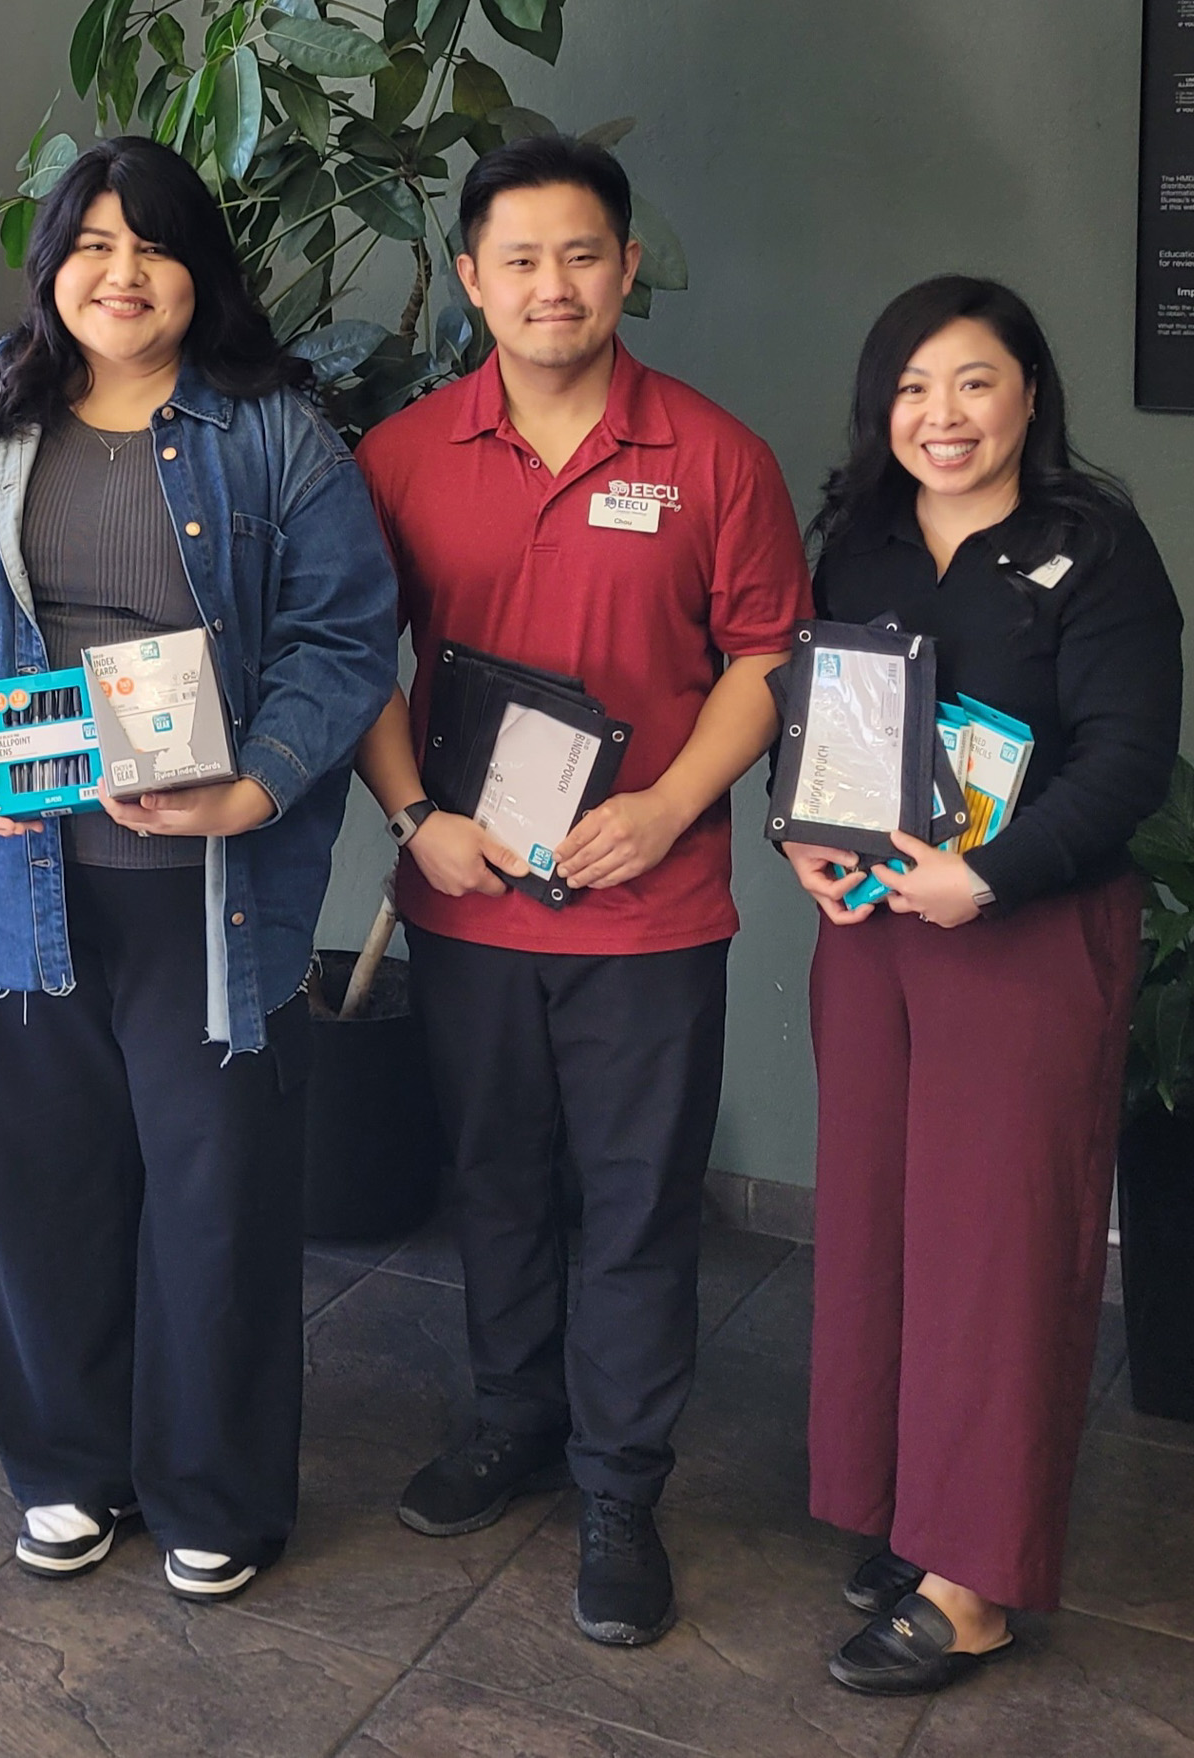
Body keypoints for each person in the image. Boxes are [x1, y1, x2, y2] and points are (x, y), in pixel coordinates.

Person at [0, 136, 396, 1600]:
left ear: (197, 267)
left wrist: (258, 782)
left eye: (150, 244)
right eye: (90, 242)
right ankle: (70, 1471)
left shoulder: (274, 433)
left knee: (215, 1194)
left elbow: (347, 638)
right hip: (11, 873)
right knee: (37, 1188)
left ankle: (212, 1488)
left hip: (209, 882)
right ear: (52, 270)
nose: (120, 271)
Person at [352, 135, 811, 1646]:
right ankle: (513, 1419)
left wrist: (673, 803)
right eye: (522, 259)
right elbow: (360, 663)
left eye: (584, 255)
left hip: (646, 911)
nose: (555, 285)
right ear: (474, 278)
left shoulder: (713, 456)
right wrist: (417, 817)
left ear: (626, 270)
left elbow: (764, 661)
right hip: (469, 897)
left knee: (632, 1205)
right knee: (493, 1182)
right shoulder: (404, 453)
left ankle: (620, 1485)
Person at [786, 276, 1181, 1695]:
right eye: (910, 389)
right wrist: (809, 849)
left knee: (1001, 1244)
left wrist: (991, 875)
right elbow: (821, 724)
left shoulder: (1097, 547)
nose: (939, 417)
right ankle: (905, 1511)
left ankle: (974, 1582)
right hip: (877, 929)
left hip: (1021, 933)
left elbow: (1127, 767)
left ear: (1028, 394)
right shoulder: (866, 544)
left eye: (970, 383)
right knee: (889, 1222)